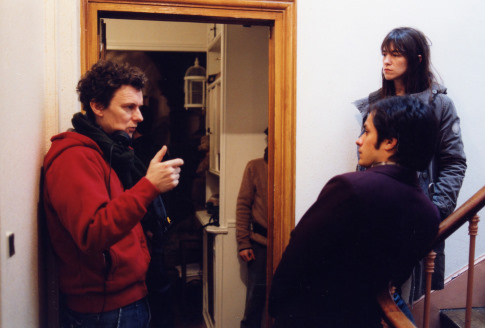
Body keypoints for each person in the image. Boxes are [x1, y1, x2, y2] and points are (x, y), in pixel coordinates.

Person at [268, 96, 441, 327]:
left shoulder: (350, 187)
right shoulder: (429, 215)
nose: (359, 140)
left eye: (367, 132)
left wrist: (275, 307)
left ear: (390, 142)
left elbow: (299, 251)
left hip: (308, 316)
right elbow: (394, 279)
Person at [43, 60, 184, 327]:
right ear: (97, 106)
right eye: (129, 107)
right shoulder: (74, 158)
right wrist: (149, 186)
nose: (139, 117)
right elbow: (92, 232)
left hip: (127, 297)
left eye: (139, 107)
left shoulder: (110, 151)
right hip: (105, 309)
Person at [353, 27, 467, 302]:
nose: (386, 61)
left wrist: (436, 209)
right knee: (372, 292)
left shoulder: (438, 104)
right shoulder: (375, 104)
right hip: (375, 211)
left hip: (416, 212)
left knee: (406, 292)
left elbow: (454, 161)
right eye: (384, 54)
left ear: (416, 59)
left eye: (395, 54)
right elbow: (365, 160)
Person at [236, 129, 268, 328]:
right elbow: (243, 205)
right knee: (255, 298)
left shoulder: (294, 165)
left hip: (288, 244)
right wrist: (243, 242)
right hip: (259, 245)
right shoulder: (255, 167)